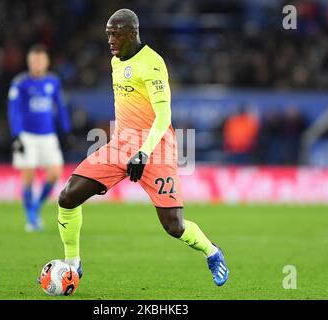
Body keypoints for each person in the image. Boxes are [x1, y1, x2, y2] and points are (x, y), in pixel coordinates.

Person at [53, 9, 229, 286]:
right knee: (67, 197)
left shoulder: (152, 64)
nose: (110, 40)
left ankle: (213, 252)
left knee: (174, 226)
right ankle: (73, 263)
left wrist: (144, 152)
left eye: (116, 35)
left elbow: (163, 117)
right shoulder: (115, 60)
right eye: (108, 34)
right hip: (120, 145)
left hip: (155, 148)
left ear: (132, 34)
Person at [8, 44, 71, 232]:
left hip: (48, 136)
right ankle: (31, 217)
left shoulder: (53, 81)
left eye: (41, 59)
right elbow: (14, 111)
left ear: (46, 62)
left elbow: (60, 107)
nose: (37, 63)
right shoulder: (20, 83)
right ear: (29, 62)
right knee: (28, 177)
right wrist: (16, 135)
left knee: (55, 173)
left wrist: (66, 130)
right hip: (27, 136)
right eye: (34, 60)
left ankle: (35, 207)